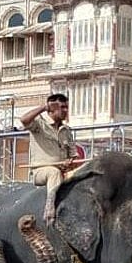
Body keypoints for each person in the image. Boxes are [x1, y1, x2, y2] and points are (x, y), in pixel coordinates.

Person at [19, 93, 79, 224]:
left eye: (66, 107)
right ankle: (50, 208)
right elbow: (24, 120)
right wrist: (43, 107)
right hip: (42, 171)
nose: (65, 111)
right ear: (52, 108)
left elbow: (73, 156)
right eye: (62, 107)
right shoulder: (39, 125)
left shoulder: (66, 131)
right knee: (53, 172)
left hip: (64, 171)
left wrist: (70, 162)